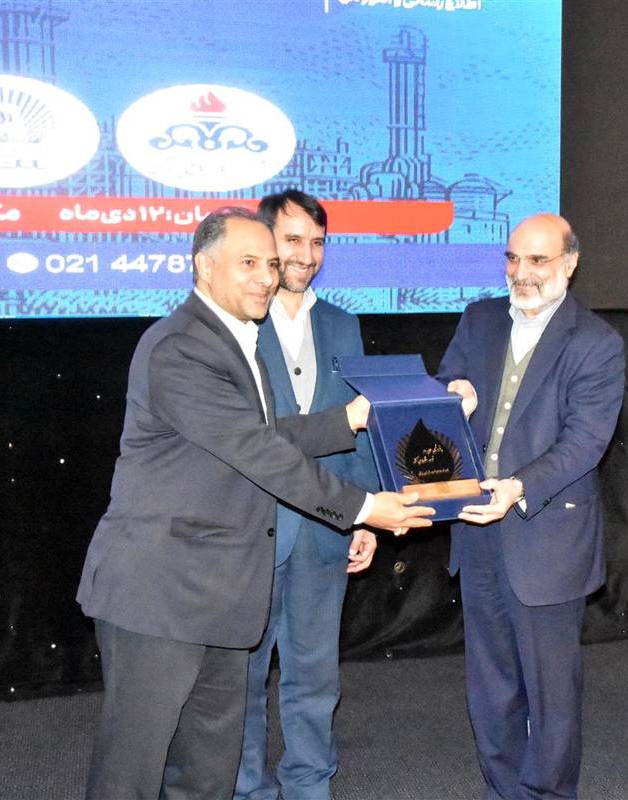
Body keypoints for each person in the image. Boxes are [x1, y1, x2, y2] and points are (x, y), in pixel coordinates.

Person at [76, 207, 433, 800]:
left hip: (221, 596)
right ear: (203, 266)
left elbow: (265, 437)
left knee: (208, 773)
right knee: (130, 775)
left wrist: (346, 419)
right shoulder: (180, 348)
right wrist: (365, 507)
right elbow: (258, 453)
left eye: (270, 263)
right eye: (248, 262)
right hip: (160, 596)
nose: (266, 277)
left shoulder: (235, 340)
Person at [438, 213, 625, 800]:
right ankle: (503, 791)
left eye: (538, 260)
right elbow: (448, 383)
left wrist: (517, 487)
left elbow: (585, 443)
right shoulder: (479, 319)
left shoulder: (597, 342)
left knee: (551, 696)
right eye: (514, 258)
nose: (522, 272)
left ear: (570, 262)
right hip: (476, 531)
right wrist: (454, 392)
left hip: (547, 537)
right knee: (490, 687)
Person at [234, 191, 379, 800]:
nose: (306, 254)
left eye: (317, 242)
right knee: (241, 679)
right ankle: (245, 789)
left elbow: (361, 429)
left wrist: (363, 515)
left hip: (325, 529)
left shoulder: (343, 324)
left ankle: (310, 785)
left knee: (316, 678)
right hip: (250, 533)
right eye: (293, 240)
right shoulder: (236, 320)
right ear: (265, 242)